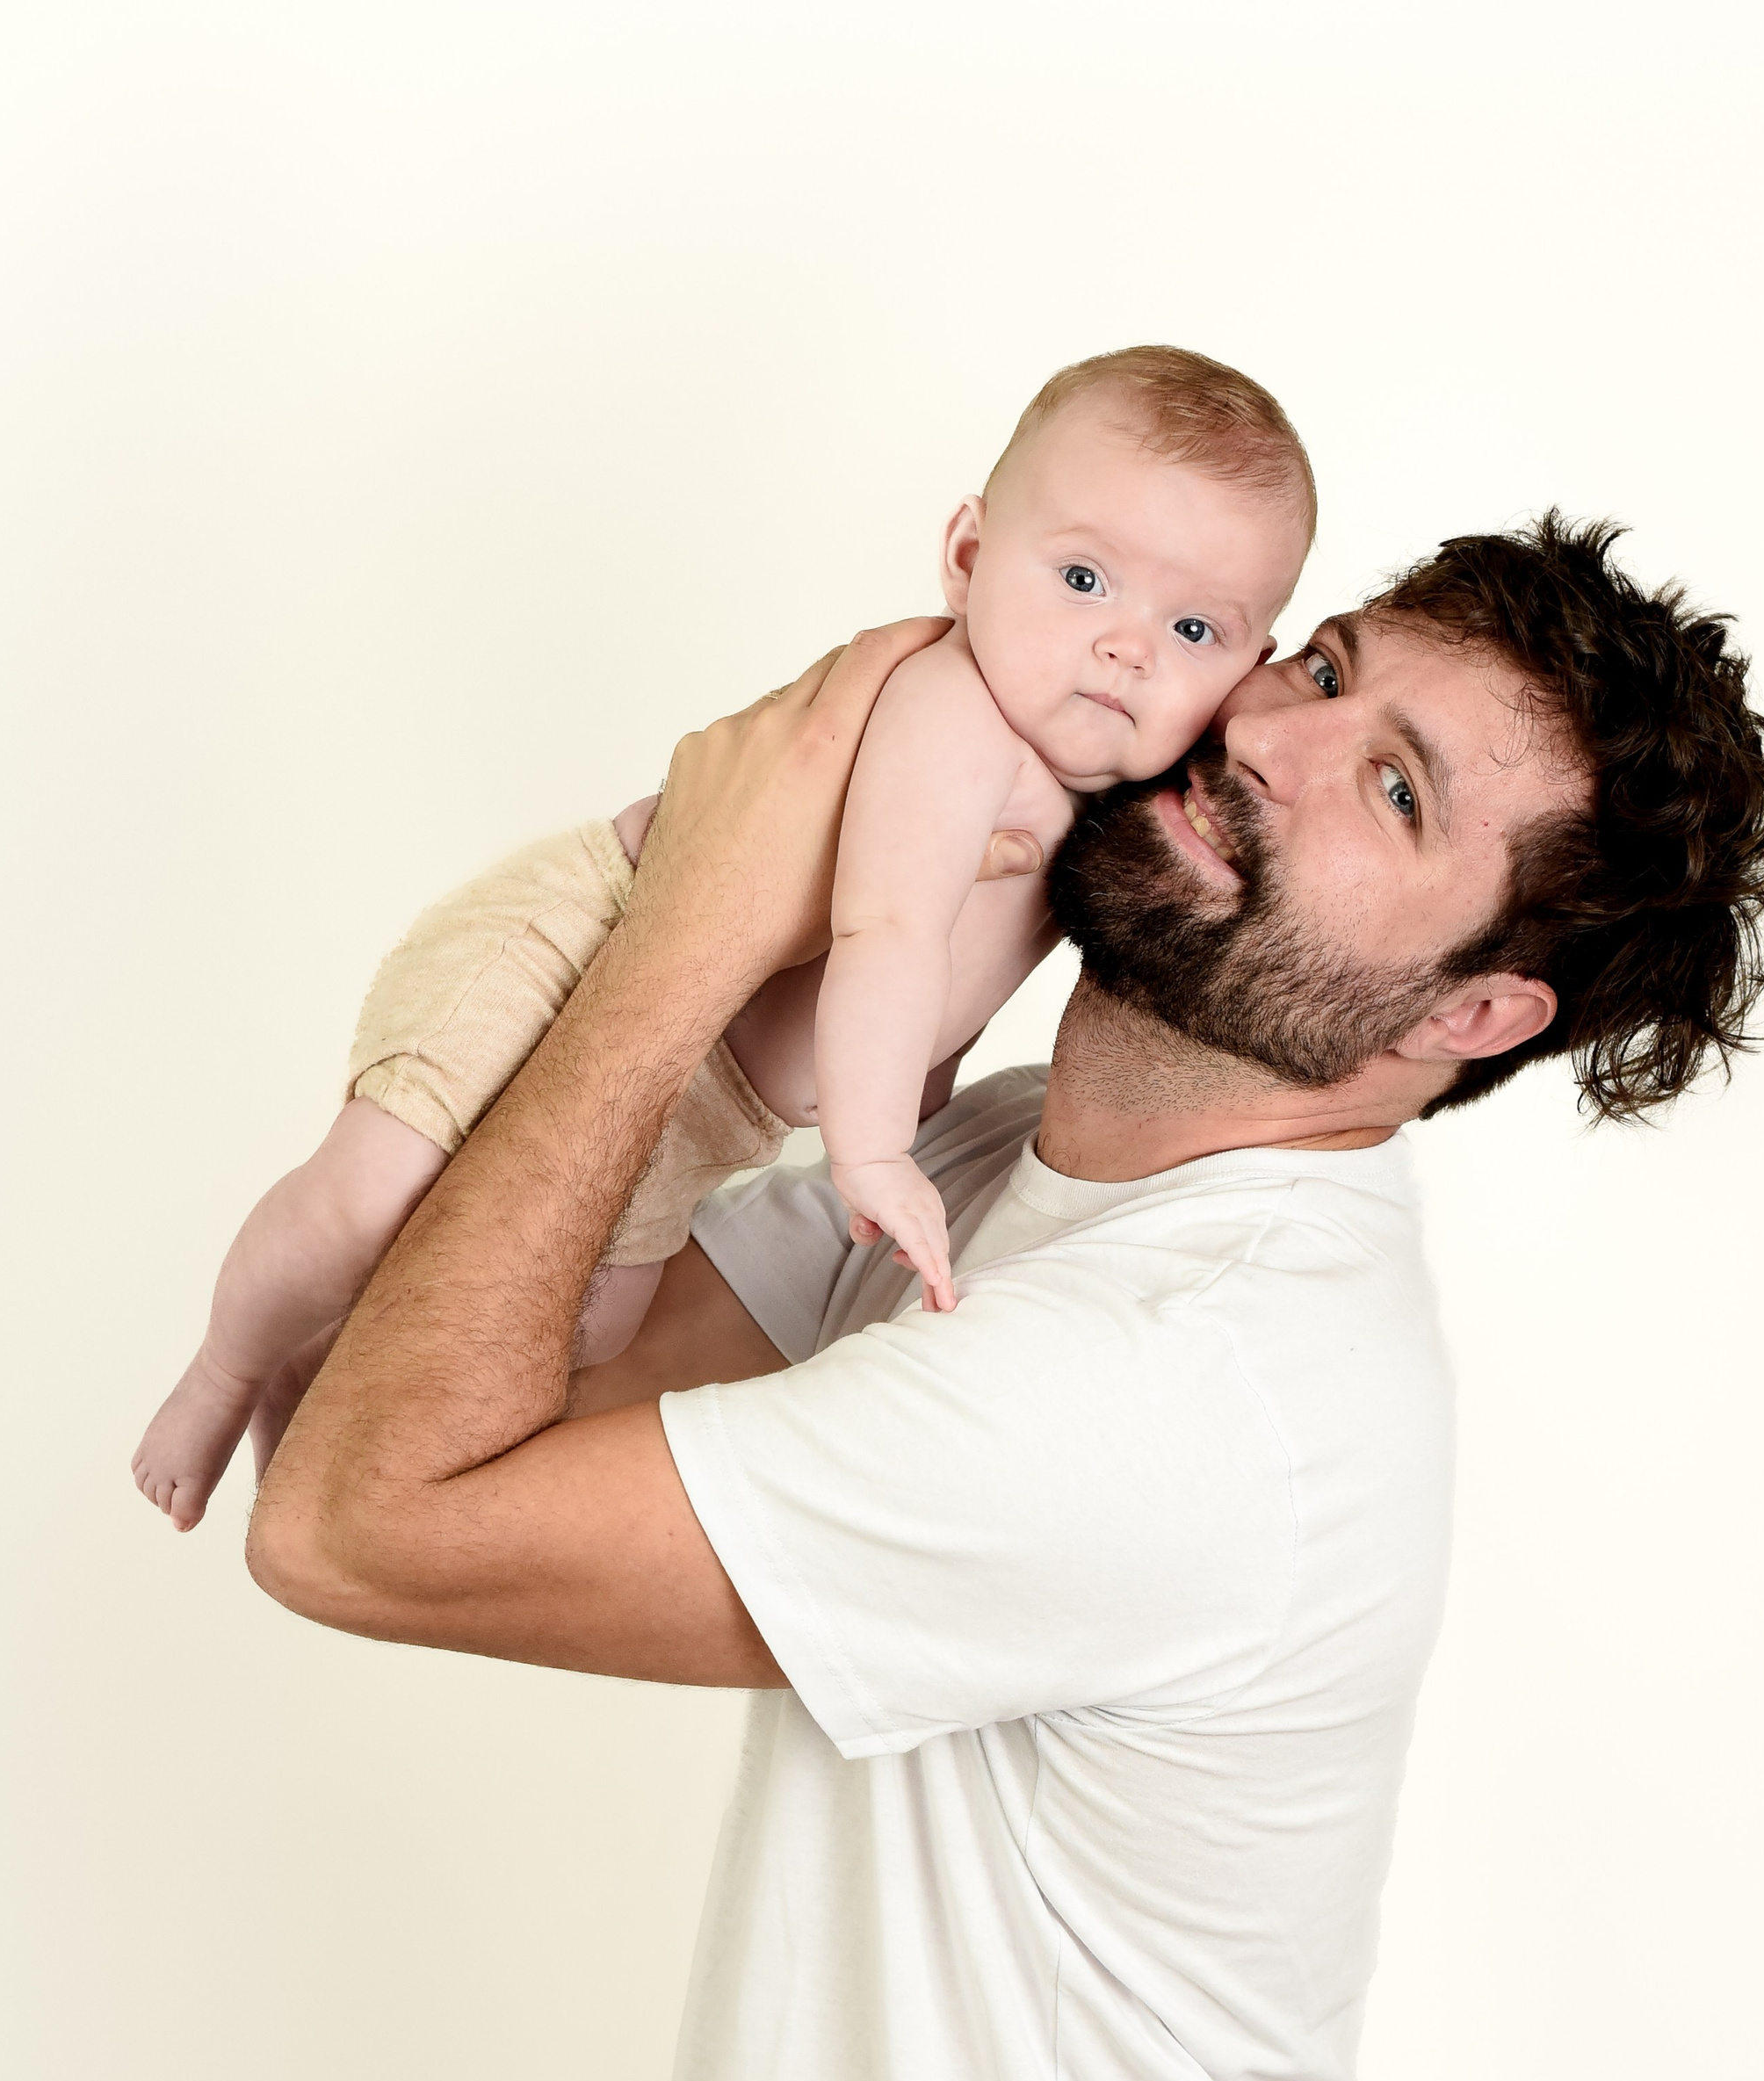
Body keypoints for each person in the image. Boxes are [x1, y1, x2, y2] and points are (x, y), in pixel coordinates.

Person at [245, 514, 1764, 2081]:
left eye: (1395, 792)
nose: (1256, 735)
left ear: (1476, 1017)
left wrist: (699, 930)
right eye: (1326, 664)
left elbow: (359, 1518)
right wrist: (861, 970)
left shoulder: (1181, 1387)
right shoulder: (994, 1165)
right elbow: (442, 1370)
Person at [130, 346, 1314, 1527]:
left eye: (1196, 629)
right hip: (578, 953)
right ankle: (228, 1366)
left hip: (692, 1099)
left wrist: (934, 1104)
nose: (1129, 647)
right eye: (1083, 579)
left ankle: (320, 1356)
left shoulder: (1113, 823)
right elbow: (890, 929)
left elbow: (957, 991)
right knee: (366, 1201)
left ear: (1252, 669)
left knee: (578, 1337)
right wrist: (878, 1155)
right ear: (967, 557)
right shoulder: (955, 716)